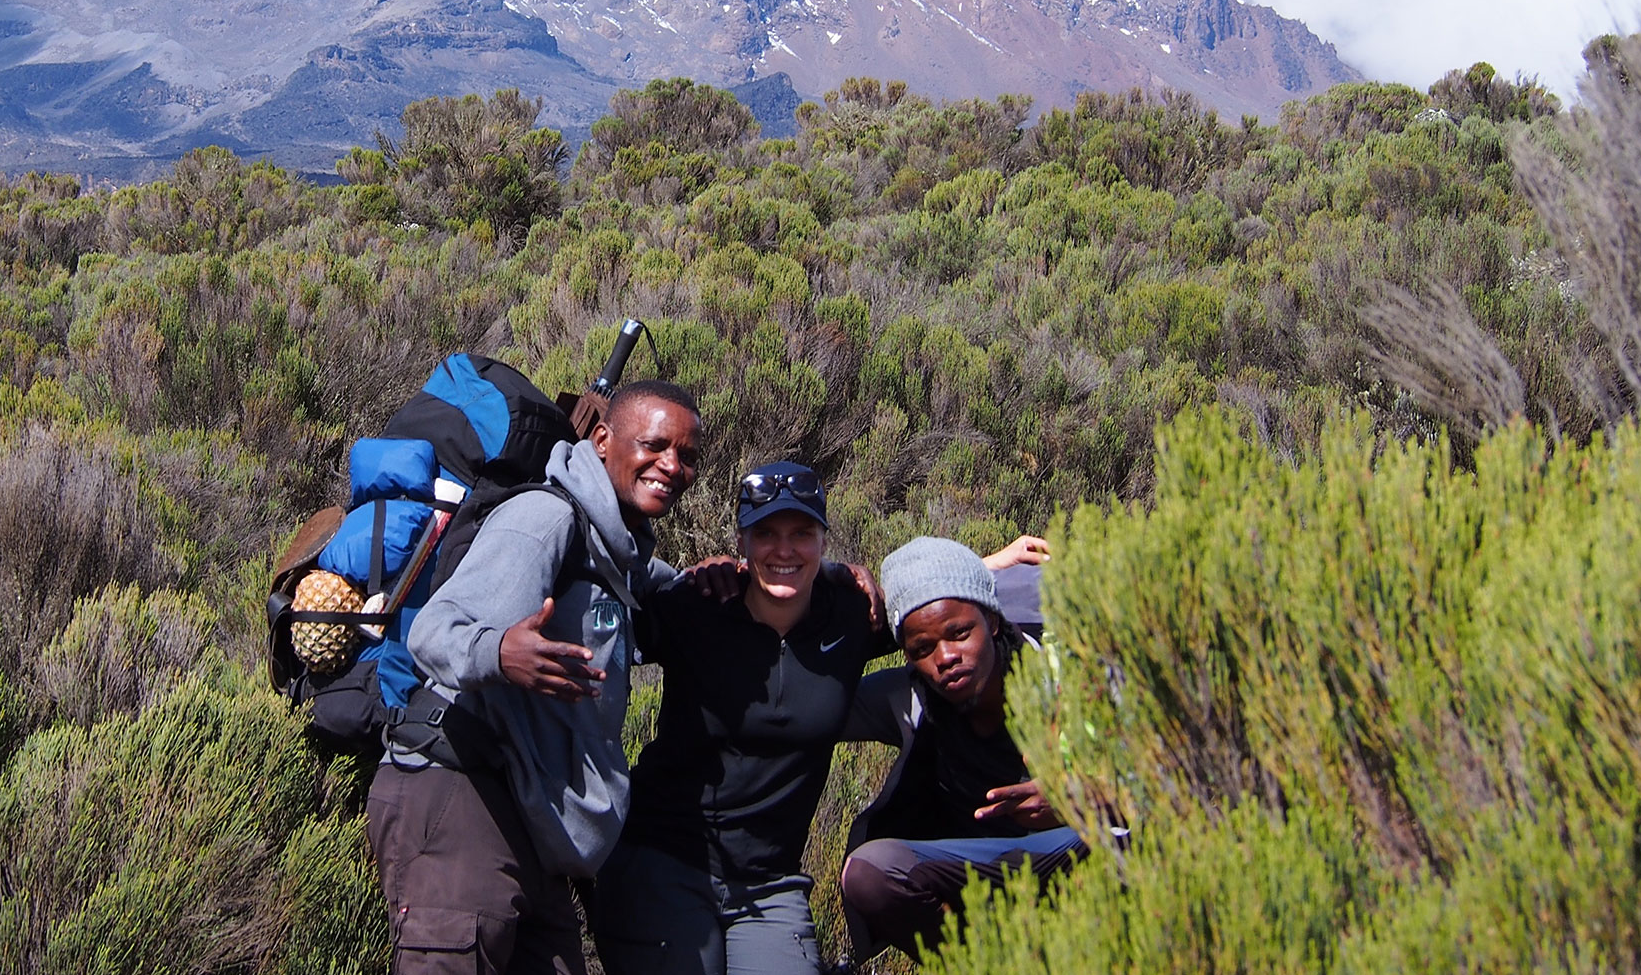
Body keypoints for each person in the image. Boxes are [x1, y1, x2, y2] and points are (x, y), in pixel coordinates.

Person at [367, 379, 704, 975]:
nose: (671, 466)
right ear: (602, 441)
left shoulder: (614, 552)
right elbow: (434, 634)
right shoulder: (544, 521)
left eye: (687, 455)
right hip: (462, 793)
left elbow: (672, 590)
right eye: (655, 445)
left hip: (528, 814)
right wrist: (500, 653)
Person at [588, 461, 890, 975]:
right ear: (742, 543)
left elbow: (943, 608)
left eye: (802, 533)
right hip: (663, 861)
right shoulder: (699, 606)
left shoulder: (854, 616)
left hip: (770, 882)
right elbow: (604, 590)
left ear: (824, 540)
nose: (785, 550)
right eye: (766, 534)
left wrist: (999, 562)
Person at [837, 535, 1102, 964]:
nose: (946, 658)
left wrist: (1082, 797)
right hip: (978, 871)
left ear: (993, 622)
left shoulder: (1073, 674)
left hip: (1083, 854)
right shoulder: (908, 698)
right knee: (871, 872)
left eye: (960, 633)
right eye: (922, 648)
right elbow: (802, 704)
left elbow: (1170, 779)